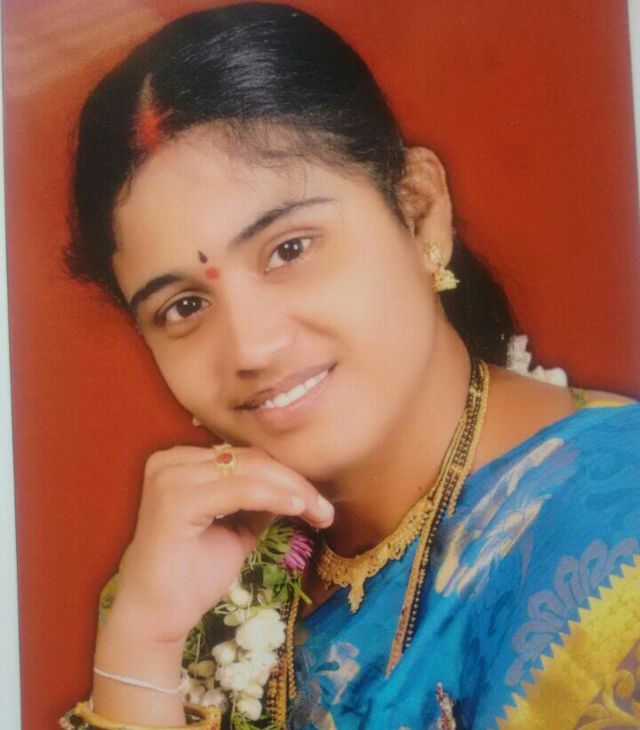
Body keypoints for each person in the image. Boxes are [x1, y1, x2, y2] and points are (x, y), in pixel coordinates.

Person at [59, 4, 640, 729]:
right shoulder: (193, 579)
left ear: (419, 211)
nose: (251, 347)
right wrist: (142, 647)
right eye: (183, 307)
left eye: (289, 249)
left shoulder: (614, 530)